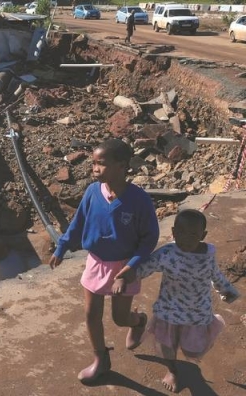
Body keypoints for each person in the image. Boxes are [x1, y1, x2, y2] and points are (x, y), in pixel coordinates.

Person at [49, 139, 160, 383]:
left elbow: (149, 238)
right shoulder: (92, 192)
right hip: (97, 261)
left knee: (119, 318)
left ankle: (138, 321)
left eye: (102, 164)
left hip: (125, 266)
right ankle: (101, 359)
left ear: (122, 165)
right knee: (91, 314)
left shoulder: (139, 200)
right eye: (93, 163)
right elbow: (78, 223)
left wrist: (131, 268)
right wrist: (62, 246)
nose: (95, 169)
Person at [115, 209, 240, 392]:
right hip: (169, 311)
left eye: (193, 234)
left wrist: (226, 290)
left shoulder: (208, 254)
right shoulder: (167, 253)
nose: (186, 238)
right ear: (173, 232)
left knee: (193, 350)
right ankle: (172, 370)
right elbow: (145, 267)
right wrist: (124, 278)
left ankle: (149, 332)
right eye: (181, 233)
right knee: (167, 346)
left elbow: (215, 275)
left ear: (203, 235)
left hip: (197, 313)